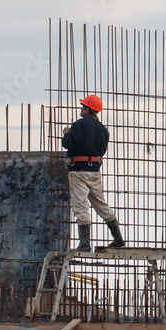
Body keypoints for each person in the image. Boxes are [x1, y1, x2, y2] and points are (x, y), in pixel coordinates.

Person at [61, 94, 125, 251]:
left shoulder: (79, 125)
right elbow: (102, 150)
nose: (81, 109)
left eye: (83, 106)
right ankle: (118, 238)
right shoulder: (103, 130)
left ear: (88, 109)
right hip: (94, 171)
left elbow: (67, 144)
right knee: (101, 204)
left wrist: (66, 133)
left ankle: (84, 244)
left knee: (80, 205)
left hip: (78, 170)